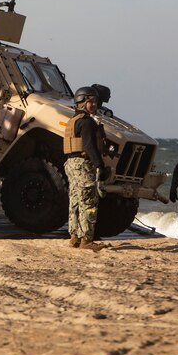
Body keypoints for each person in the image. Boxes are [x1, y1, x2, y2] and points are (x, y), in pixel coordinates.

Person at [63, 86, 111, 251]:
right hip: (83, 165)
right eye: (91, 102)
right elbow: (89, 146)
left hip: (71, 164)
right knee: (89, 201)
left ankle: (74, 237)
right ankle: (87, 240)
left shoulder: (73, 120)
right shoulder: (87, 122)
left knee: (75, 200)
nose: (94, 105)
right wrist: (100, 165)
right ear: (82, 102)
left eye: (96, 102)